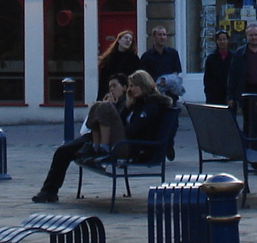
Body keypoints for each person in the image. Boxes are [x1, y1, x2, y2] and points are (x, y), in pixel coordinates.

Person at [32, 70, 170, 203]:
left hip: (131, 146)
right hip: (115, 140)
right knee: (64, 149)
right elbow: (123, 122)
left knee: (104, 108)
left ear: (144, 84)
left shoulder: (151, 106)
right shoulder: (135, 102)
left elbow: (133, 130)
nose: (132, 89)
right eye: (131, 86)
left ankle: (98, 148)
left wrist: (113, 116)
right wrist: (127, 106)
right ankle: (49, 191)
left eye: (134, 86)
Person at [139, 24, 185, 100]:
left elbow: (176, 72)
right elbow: (143, 76)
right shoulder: (146, 56)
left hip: (171, 93)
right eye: (159, 35)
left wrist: (166, 80)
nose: (162, 37)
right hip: (153, 94)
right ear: (153, 37)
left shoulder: (173, 53)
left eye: (164, 35)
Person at [202, 30, 233, 105]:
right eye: (220, 40)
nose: (222, 42)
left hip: (229, 96)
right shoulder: (211, 58)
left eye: (224, 39)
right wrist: (208, 95)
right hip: (214, 96)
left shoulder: (234, 58)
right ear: (216, 41)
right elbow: (207, 79)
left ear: (228, 41)